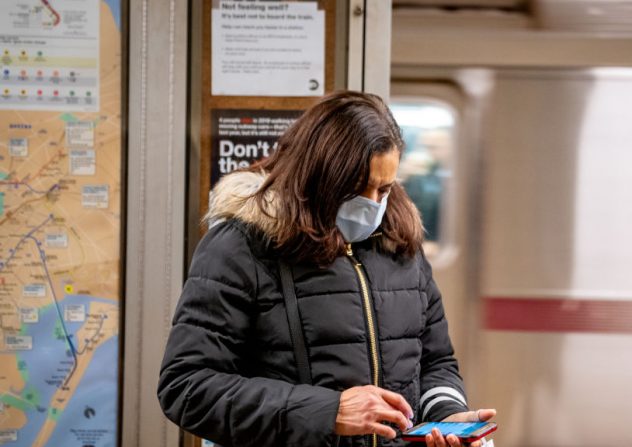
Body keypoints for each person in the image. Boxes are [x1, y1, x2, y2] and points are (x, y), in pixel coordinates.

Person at [157, 91, 496, 447]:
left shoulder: (400, 245)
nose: (373, 205)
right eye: (354, 190)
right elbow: (187, 387)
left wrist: (447, 414)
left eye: (384, 189)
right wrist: (327, 411)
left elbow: (435, 361)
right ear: (316, 179)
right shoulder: (242, 246)